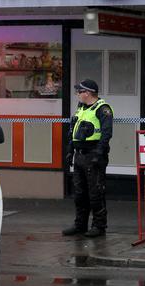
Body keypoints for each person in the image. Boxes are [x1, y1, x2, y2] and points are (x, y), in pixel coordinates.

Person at [62, 79, 113, 238]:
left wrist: (98, 154)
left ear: (88, 93)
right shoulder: (81, 107)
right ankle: (80, 225)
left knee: (95, 193)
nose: (77, 94)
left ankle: (99, 226)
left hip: (93, 155)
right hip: (80, 155)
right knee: (79, 193)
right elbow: (73, 130)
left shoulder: (102, 109)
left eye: (80, 91)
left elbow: (106, 134)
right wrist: (70, 150)